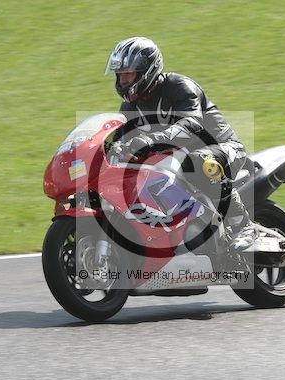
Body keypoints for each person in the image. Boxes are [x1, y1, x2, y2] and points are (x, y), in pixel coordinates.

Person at [104, 36, 263, 252]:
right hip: (178, 158)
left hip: (223, 148)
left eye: (128, 74)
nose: (123, 81)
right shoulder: (130, 106)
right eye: (120, 75)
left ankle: (242, 225)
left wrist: (151, 140)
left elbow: (191, 125)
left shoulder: (179, 87)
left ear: (146, 72)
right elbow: (119, 138)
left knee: (200, 161)